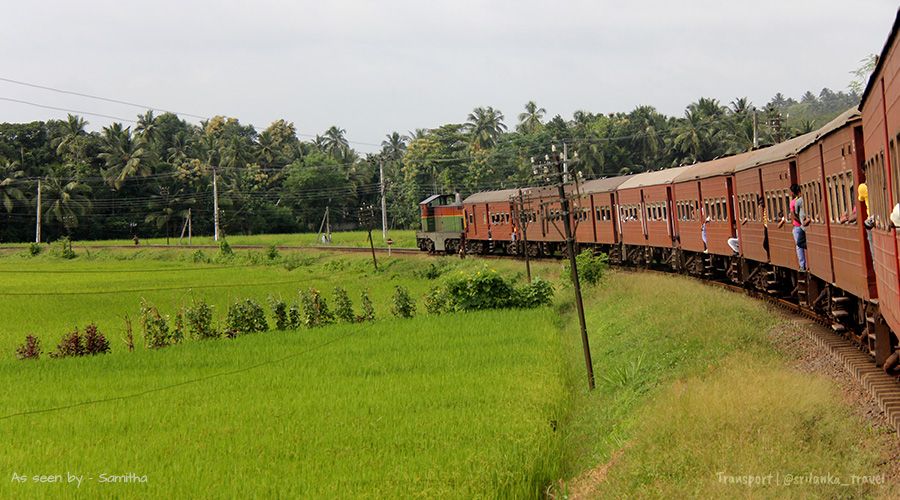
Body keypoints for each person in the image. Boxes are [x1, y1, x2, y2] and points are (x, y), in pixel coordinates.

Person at [786, 184, 809, 271]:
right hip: (802, 224)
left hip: (797, 226)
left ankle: (802, 265)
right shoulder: (802, 200)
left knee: (799, 246)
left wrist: (800, 222)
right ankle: (804, 264)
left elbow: (793, 215)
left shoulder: (793, 202)